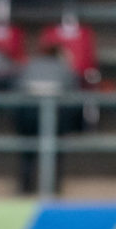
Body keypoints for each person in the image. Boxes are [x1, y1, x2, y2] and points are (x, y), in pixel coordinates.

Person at [14, 41, 82, 194]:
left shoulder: (28, 66)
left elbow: (15, 90)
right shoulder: (65, 69)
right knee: (55, 152)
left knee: (28, 153)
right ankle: (54, 188)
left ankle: (25, 188)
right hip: (54, 117)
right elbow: (74, 98)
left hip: (28, 116)